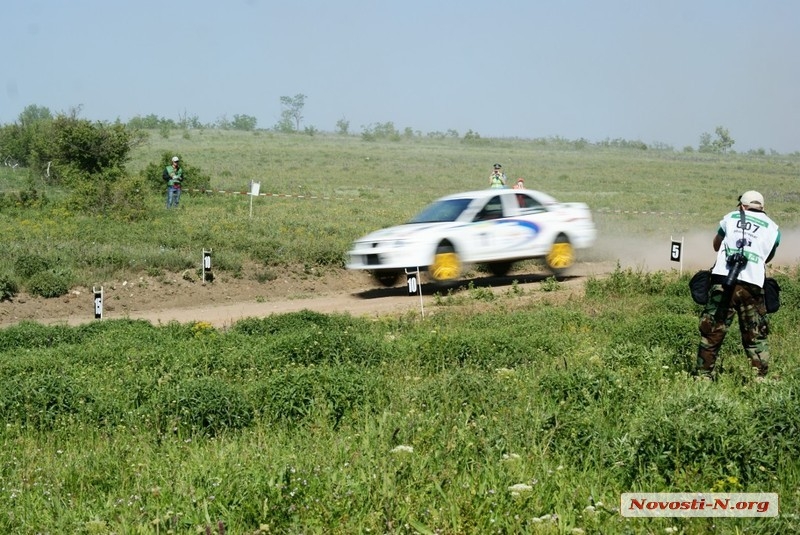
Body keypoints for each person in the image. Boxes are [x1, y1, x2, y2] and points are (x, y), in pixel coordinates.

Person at [696, 190, 781, 379]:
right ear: (762, 207)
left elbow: (716, 245)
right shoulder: (773, 228)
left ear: (742, 206)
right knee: (755, 336)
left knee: (712, 332)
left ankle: (703, 377)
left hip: (723, 281)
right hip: (753, 284)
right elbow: (768, 257)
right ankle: (759, 380)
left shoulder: (730, 218)